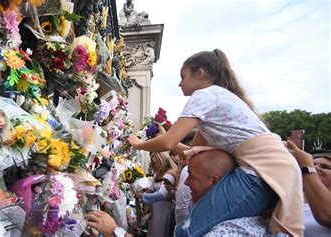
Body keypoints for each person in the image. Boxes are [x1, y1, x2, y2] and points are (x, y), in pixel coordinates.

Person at [128, 49, 303, 236]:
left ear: (200, 73)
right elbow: (191, 151)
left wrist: (139, 144)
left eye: (183, 76)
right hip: (272, 172)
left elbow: (169, 143)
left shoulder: (205, 94)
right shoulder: (218, 99)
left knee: (188, 230)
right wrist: (162, 136)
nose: (179, 83)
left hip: (260, 172)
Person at [86, 147, 267, 236]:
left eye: (192, 176)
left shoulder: (227, 230)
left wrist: (114, 231)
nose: (187, 183)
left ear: (214, 181)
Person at [285, 141, 331, 236]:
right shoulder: (287, 199)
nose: (316, 167)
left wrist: (307, 167)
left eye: (325, 167)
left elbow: (328, 217)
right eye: (313, 164)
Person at [134, 151, 176, 237]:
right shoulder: (158, 173)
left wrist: (142, 196)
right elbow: (150, 188)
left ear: (163, 160)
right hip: (156, 208)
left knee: (160, 232)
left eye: (157, 162)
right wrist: (146, 202)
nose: (156, 165)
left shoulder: (169, 174)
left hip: (165, 209)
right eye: (154, 163)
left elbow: (161, 195)